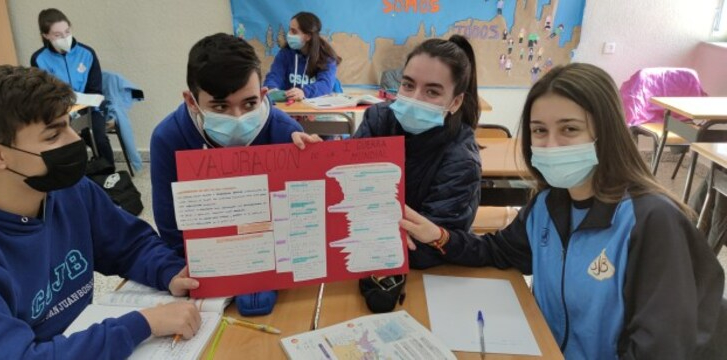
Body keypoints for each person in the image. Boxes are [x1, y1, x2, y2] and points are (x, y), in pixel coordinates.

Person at [398, 63, 724, 358]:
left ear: (605, 133)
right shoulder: (547, 205)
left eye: (569, 129)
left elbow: (661, 349)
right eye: (539, 130)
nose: (550, 144)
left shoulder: (651, 221)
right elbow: (499, 251)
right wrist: (439, 235)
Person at [0, 63, 202, 359]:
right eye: (52, 135)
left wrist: (168, 271)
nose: (75, 140)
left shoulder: (67, 189)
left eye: (68, 124)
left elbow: (130, 245)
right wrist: (142, 324)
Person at [294, 35, 482, 269]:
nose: (414, 99)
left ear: (455, 103)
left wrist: (369, 228)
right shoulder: (379, 119)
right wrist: (316, 160)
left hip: (422, 275)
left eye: (432, 92)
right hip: (361, 261)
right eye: (408, 85)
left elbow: (429, 248)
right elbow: (342, 191)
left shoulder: (461, 160)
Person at [150, 33, 303, 313]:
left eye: (249, 104)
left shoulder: (287, 134)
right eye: (220, 106)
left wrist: (313, 164)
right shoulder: (168, 138)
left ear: (263, 95)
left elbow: (302, 225)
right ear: (191, 101)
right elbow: (171, 229)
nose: (237, 118)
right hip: (206, 275)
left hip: (274, 266)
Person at [30, 8, 114, 166]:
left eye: (67, 32)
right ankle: (75, 173)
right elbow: (43, 93)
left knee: (98, 138)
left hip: (89, 107)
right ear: (46, 35)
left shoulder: (87, 53)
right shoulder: (39, 59)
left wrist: (81, 104)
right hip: (59, 109)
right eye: (58, 35)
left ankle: (109, 172)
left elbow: (95, 89)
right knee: (65, 141)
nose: (65, 38)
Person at [263, 12, 341, 101]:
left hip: (317, 106)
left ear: (308, 36)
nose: (289, 34)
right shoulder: (285, 53)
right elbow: (274, 75)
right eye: (289, 30)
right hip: (290, 106)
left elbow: (325, 85)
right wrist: (272, 88)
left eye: (294, 31)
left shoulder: (326, 57)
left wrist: (304, 92)